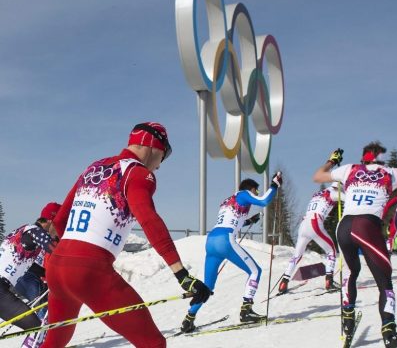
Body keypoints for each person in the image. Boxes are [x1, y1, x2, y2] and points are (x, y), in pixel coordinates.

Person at [41, 122, 211, 348]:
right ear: (153, 146)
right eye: (165, 154)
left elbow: (59, 221)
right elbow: (149, 220)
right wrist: (182, 276)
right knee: (153, 343)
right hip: (89, 270)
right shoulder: (137, 173)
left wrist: (68, 260)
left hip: (58, 267)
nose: (160, 165)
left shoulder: (94, 167)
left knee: (53, 343)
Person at [313, 142, 397, 348]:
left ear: (364, 158)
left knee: (352, 272)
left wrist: (332, 161)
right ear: (381, 158)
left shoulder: (350, 169)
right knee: (384, 280)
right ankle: (390, 333)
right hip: (366, 226)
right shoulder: (393, 172)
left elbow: (318, 176)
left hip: (344, 227)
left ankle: (348, 320)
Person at [180, 173, 282, 333]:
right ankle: (246, 310)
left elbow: (232, 218)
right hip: (225, 240)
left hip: (211, 241)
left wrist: (249, 220)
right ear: (251, 188)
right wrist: (275, 184)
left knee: (206, 287)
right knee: (255, 271)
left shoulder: (228, 201)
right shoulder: (244, 193)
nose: (255, 194)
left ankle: (188, 319)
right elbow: (264, 201)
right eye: (255, 191)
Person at [0, 202, 60, 329]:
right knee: (40, 329)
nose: (59, 230)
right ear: (50, 221)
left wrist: (48, 274)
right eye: (58, 224)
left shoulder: (22, 231)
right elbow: (56, 252)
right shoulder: (35, 231)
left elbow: (28, 266)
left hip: (3, 289)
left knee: (38, 328)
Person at [278, 182, 344, 294]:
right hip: (315, 223)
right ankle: (329, 281)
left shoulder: (318, 194)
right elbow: (347, 198)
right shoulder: (334, 193)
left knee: (297, 255)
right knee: (331, 251)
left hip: (304, 224)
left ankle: (284, 281)